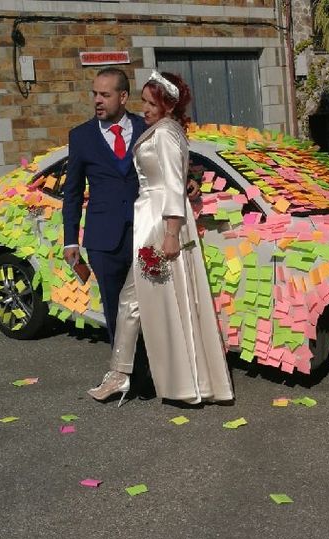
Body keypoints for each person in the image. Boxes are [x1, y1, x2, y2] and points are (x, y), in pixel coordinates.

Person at [87, 71, 234, 406]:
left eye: (151, 103)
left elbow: (169, 183)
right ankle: (136, 376)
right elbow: (176, 176)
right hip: (154, 221)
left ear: (167, 105)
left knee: (133, 301)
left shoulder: (166, 134)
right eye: (144, 102)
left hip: (158, 225)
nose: (145, 109)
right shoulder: (166, 130)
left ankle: (121, 376)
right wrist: (189, 180)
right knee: (146, 302)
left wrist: (169, 233)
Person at [62, 68, 146, 344]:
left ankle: (156, 373)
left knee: (148, 309)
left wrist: (190, 179)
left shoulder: (146, 128)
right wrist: (70, 240)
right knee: (116, 311)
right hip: (104, 241)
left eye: (105, 95)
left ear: (123, 97)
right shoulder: (81, 137)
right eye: (95, 94)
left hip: (145, 234)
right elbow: (72, 192)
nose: (97, 100)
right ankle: (125, 376)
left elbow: (173, 163)